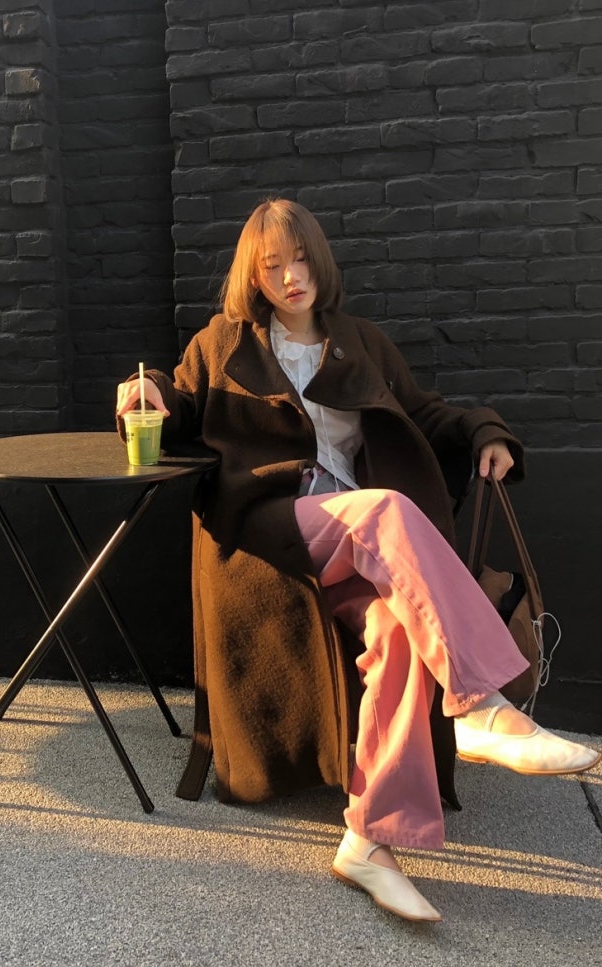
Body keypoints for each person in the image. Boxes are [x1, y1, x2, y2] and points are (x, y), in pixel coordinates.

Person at [116, 199, 600, 923]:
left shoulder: (359, 340)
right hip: (274, 529)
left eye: (300, 259)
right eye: (272, 266)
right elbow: (176, 402)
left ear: (320, 261)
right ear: (253, 275)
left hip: (361, 538)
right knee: (386, 510)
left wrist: (485, 431)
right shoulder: (221, 342)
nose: (290, 276)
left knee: (399, 631)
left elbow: (424, 412)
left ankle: (368, 840)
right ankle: (478, 704)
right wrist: (145, 391)